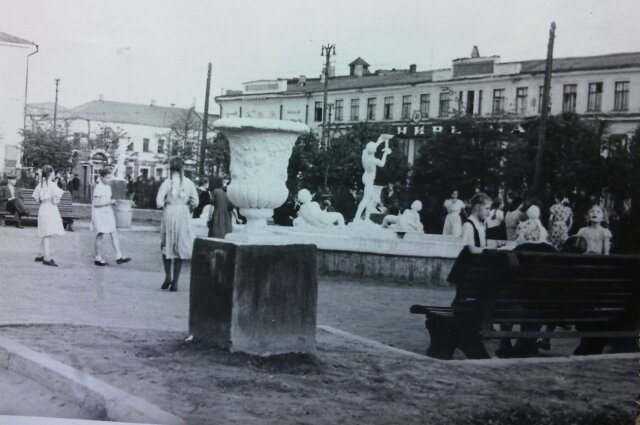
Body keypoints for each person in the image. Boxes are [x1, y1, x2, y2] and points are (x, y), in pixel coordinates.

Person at [156, 157, 199, 291]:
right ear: (182, 168)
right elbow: (195, 202)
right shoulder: (189, 183)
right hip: (183, 215)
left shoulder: (167, 183)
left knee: (166, 244)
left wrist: (167, 204)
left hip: (169, 213)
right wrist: (187, 205)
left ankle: (168, 276)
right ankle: (175, 281)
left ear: (170, 168)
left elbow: (158, 202)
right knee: (180, 246)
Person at [92, 169, 131, 267]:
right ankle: (98, 258)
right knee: (100, 234)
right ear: (101, 178)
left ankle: (119, 256)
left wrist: (112, 202)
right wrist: (109, 202)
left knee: (113, 232)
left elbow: (106, 200)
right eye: (107, 178)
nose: (109, 180)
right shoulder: (98, 187)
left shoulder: (107, 187)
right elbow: (96, 203)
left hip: (107, 212)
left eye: (110, 178)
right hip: (100, 213)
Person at [353, 135, 393, 222]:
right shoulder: (372, 160)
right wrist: (385, 154)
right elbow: (382, 164)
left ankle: (366, 219)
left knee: (371, 200)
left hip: (366, 177)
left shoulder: (365, 152)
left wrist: (380, 140)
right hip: (369, 180)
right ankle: (357, 218)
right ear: (373, 151)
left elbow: (373, 146)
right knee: (366, 200)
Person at [32, 165, 65, 266]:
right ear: (51, 174)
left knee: (46, 231)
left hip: (43, 208)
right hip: (50, 209)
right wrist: (57, 199)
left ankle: (39, 254)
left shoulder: (40, 185)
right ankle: (47, 257)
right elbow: (55, 201)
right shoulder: (53, 185)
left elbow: (37, 199)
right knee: (47, 233)